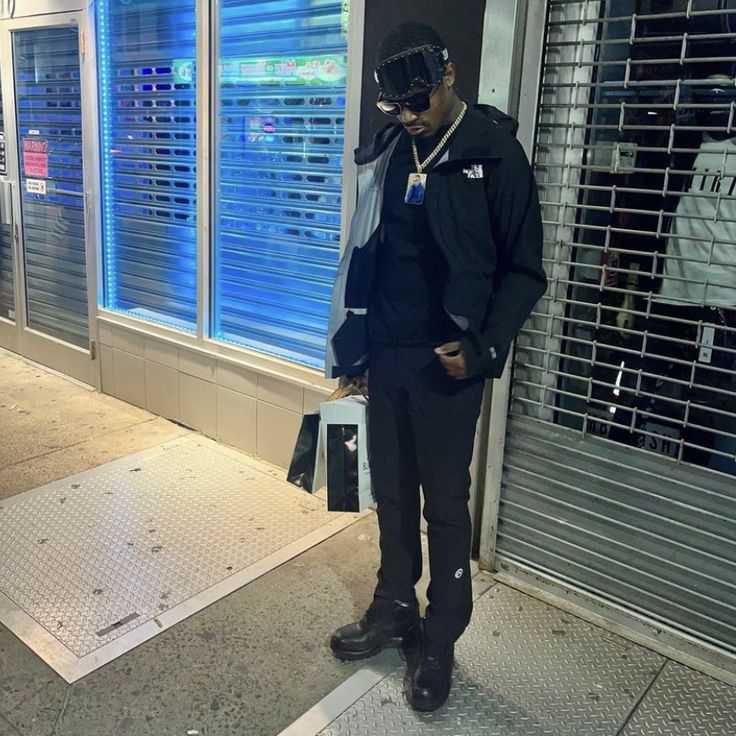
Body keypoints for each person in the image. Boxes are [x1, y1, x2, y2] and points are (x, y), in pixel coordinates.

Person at [324, 21, 547, 712]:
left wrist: (482, 347)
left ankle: (440, 635)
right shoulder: (392, 150)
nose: (411, 117)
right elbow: (368, 252)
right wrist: (353, 351)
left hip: (450, 365)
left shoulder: (493, 152)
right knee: (387, 489)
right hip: (387, 355)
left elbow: (525, 271)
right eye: (397, 107)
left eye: (419, 102)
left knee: (445, 503)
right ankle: (393, 604)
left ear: (448, 76)